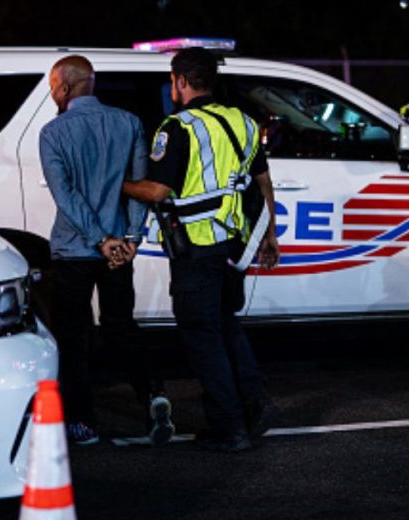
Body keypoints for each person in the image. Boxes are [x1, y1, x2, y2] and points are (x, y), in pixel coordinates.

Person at [123, 47, 280, 452]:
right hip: (234, 245)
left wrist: (120, 185)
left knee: (203, 338)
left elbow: (157, 191)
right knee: (225, 323)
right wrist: (269, 236)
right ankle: (255, 403)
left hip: (197, 249)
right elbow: (263, 183)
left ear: (180, 81)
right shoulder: (243, 121)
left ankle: (230, 428)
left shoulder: (177, 127)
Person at [40, 55, 174, 445]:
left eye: (53, 88)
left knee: (72, 336)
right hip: (119, 250)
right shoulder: (128, 122)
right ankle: (152, 395)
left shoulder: (53, 132)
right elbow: (138, 186)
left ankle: (83, 422)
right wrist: (130, 237)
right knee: (121, 325)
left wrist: (99, 238)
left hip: (74, 249)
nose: (54, 95)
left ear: (65, 88)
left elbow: (65, 194)